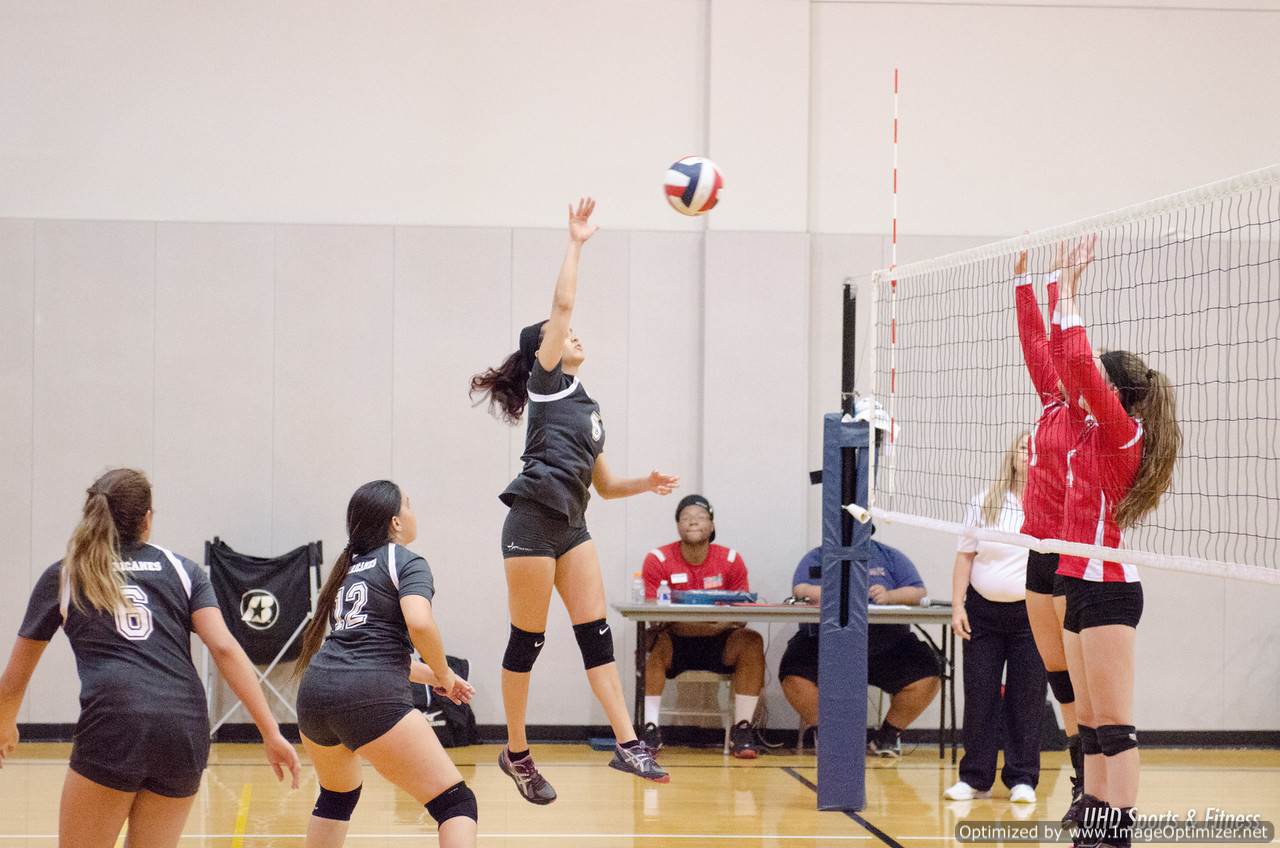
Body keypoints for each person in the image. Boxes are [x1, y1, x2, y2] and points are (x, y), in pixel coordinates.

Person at [470, 198, 679, 804]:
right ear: (547, 349)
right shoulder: (546, 384)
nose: (573, 333)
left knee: (597, 636)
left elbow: (606, 486)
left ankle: (627, 744)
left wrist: (647, 483)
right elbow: (563, 306)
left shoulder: (587, 406)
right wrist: (577, 243)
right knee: (527, 642)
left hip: (573, 525)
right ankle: (516, 752)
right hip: (531, 522)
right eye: (562, 335)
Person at [0, 468, 301, 848]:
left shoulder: (66, 574)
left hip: (116, 722)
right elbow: (224, 648)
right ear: (147, 519)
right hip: (183, 727)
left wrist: (5, 724)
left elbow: (14, 677)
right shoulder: (182, 570)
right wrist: (271, 731)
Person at [1051, 236, 1181, 848]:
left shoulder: (1121, 435)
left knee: (1116, 725)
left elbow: (1076, 361)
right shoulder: (1083, 426)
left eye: (1096, 382)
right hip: (1079, 581)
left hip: (1108, 589)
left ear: (1115, 395)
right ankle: (1095, 820)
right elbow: (1058, 357)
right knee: (1091, 720)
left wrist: (1071, 288)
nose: (1080, 387)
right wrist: (1044, 288)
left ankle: (1117, 832)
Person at [294, 480, 479, 848]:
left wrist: (440, 677)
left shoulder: (349, 569)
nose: (413, 512)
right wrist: (442, 672)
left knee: (336, 797)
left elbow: (365, 647)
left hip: (315, 694)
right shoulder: (406, 561)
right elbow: (420, 623)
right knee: (456, 803)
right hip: (369, 695)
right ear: (395, 522)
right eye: (408, 504)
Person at [1013, 245, 1089, 823]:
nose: (1052, 366)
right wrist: (1026, 286)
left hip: (1074, 556)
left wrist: (1065, 285)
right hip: (1038, 551)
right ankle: (1080, 782)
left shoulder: (1087, 415)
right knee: (1057, 677)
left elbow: (1062, 345)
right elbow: (1035, 345)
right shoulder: (1048, 403)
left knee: (1082, 681)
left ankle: (1094, 785)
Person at [946, 432, 1046, 804]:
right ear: (1012, 455)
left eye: (1035, 449)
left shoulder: (1049, 504)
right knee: (980, 694)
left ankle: (1022, 778)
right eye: (1023, 447)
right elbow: (964, 558)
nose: (1029, 453)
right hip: (982, 615)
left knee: (1027, 697)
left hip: (1030, 616)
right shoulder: (983, 503)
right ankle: (975, 777)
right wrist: (958, 606)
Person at [779, 536, 942, 758]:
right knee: (793, 672)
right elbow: (800, 588)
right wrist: (829, 593)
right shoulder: (817, 556)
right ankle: (830, 736)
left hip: (885, 643)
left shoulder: (890, 556)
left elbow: (918, 591)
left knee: (927, 673)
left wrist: (890, 596)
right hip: (825, 643)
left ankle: (888, 735)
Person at [639, 495, 765, 758]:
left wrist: (697, 623)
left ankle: (742, 731)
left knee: (751, 641)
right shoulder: (658, 559)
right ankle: (650, 729)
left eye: (700, 517)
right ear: (677, 526)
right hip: (675, 643)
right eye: (685, 517)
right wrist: (711, 622)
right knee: (649, 642)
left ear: (712, 525)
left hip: (720, 643)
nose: (693, 521)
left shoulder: (731, 560)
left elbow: (740, 616)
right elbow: (654, 617)